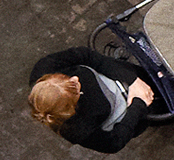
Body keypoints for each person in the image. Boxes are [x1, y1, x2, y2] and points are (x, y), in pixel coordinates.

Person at [27, 46, 162, 153]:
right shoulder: (75, 130)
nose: (75, 78)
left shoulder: (44, 68)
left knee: (154, 77)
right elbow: (113, 142)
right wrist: (138, 104)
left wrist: (133, 81)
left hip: (125, 77)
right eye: (74, 87)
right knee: (165, 109)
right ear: (73, 106)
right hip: (135, 112)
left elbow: (86, 55)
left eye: (67, 78)